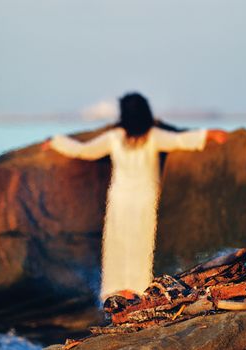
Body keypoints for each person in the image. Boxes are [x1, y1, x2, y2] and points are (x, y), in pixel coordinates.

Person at [42, 92, 227, 302]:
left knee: (118, 244)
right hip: (144, 199)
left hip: (121, 198)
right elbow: (180, 140)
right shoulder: (153, 136)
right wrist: (208, 134)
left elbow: (85, 150)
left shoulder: (116, 137)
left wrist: (56, 141)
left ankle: (116, 290)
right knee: (141, 244)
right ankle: (140, 290)